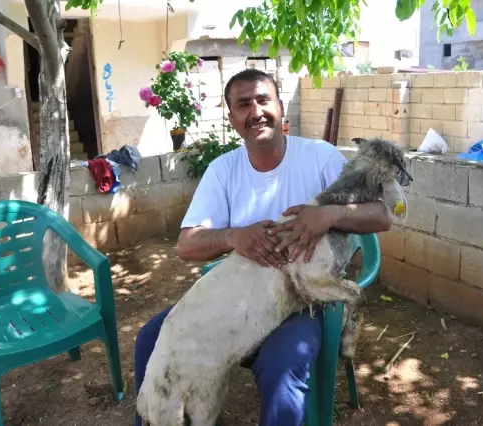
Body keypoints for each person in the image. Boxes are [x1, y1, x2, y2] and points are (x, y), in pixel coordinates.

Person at [133, 68, 391, 426]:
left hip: (305, 299)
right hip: (243, 297)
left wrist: (328, 215)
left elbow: (382, 216)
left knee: (283, 366)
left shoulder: (320, 156)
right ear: (232, 118)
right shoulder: (223, 170)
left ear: (280, 107)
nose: (255, 111)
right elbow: (185, 246)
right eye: (243, 104)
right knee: (150, 340)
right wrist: (232, 236)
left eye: (262, 100)